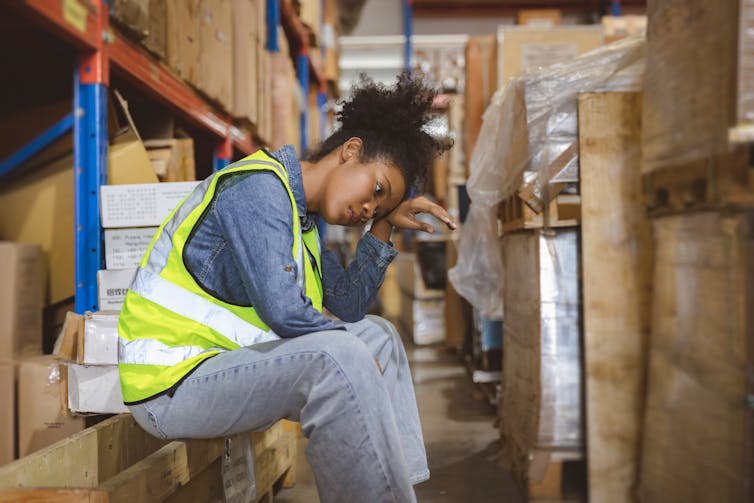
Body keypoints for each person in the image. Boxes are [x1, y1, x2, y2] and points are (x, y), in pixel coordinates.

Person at [117, 73, 455, 503]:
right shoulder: (258, 189)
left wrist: (384, 226)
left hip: (220, 370)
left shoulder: (304, 224)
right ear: (351, 151)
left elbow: (350, 305)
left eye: (379, 207)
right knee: (340, 353)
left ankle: (396, 489)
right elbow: (283, 312)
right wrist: (351, 358)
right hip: (169, 386)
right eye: (376, 190)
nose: (369, 208)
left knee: (378, 335)